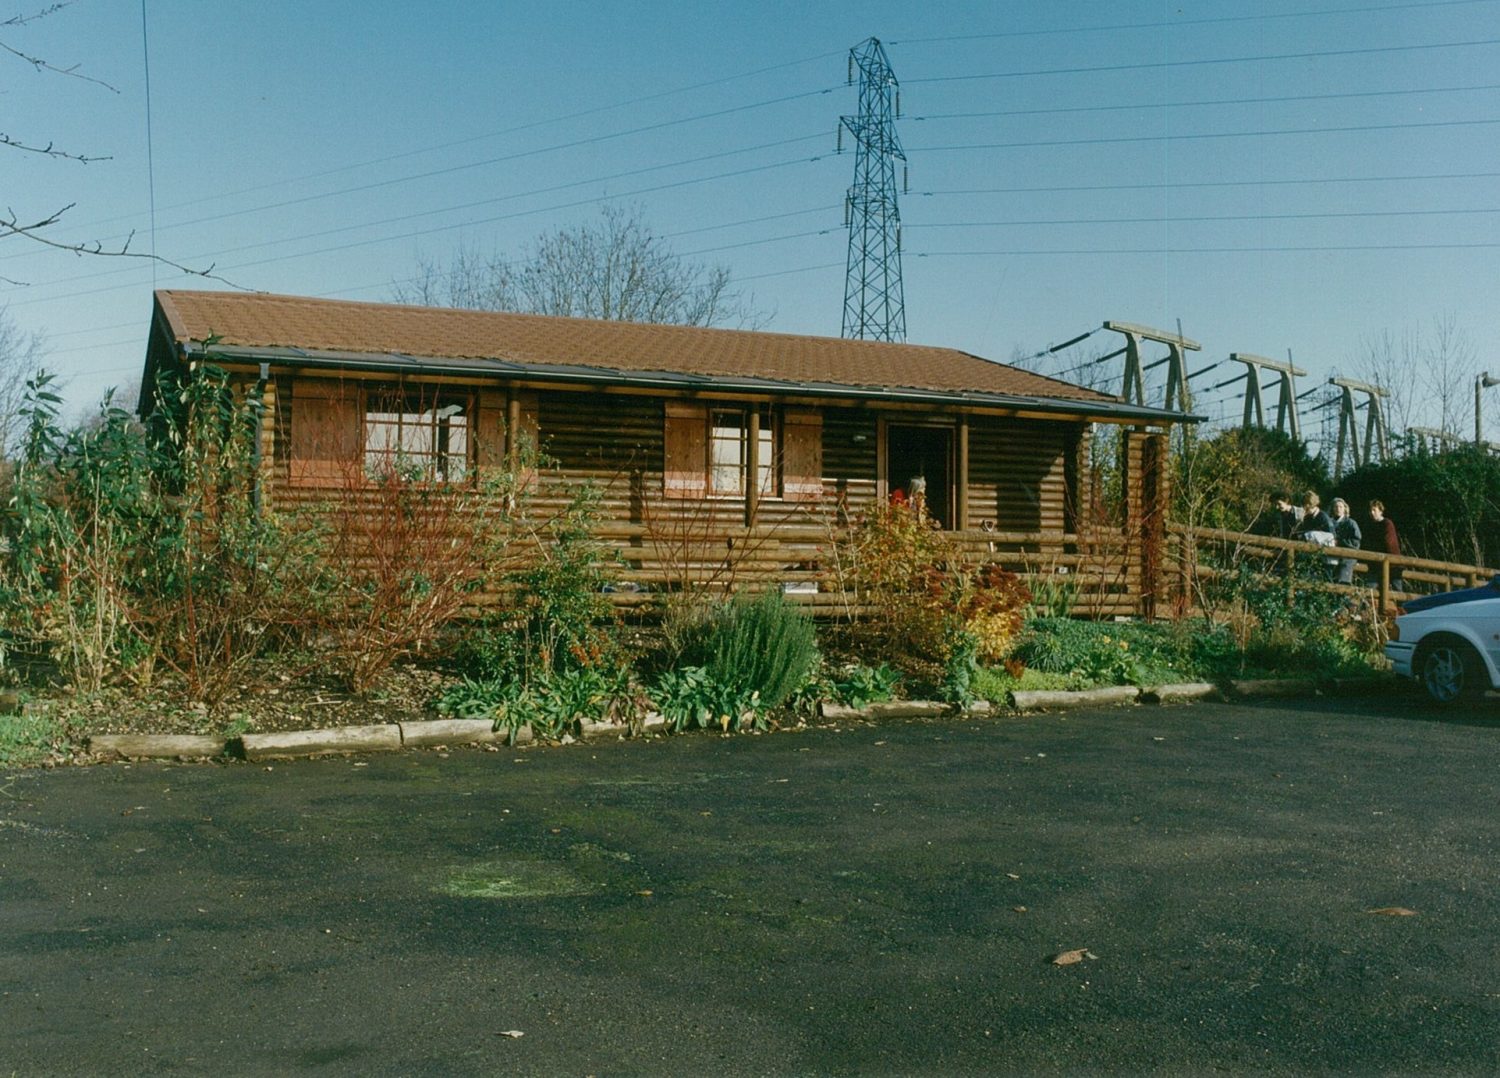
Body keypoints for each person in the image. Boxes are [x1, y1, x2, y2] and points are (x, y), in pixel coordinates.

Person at [1368, 499, 1404, 590]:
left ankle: (1402, 604)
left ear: (1380, 511)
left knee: (1397, 589)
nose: (1372, 513)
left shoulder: (1387, 524)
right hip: (1377, 564)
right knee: (1370, 588)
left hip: (1393, 564)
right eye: (1370, 510)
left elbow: (1390, 543)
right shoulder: (1371, 526)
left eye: (1374, 510)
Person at [1330, 497, 1362, 583]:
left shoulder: (1351, 523)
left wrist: (1339, 542)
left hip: (1347, 556)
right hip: (1331, 555)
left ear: (1345, 508)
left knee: (1343, 581)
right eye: (1336, 507)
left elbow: (1356, 542)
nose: (1338, 509)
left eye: (1340, 507)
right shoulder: (1329, 522)